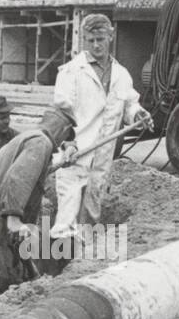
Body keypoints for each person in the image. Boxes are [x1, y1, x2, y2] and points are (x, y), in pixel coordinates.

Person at [0, 108, 76, 311]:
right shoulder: (40, 142)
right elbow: (18, 177)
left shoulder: (24, 140)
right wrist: (14, 218)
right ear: (62, 129)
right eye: (66, 136)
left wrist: (59, 164)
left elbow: (26, 173)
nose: (62, 143)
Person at [49, 13, 151, 239]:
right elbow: (60, 113)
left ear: (110, 37)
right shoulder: (71, 72)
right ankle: (57, 264)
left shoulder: (121, 75)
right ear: (84, 40)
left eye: (101, 39)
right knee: (67, 217)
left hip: (103, 154)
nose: (96, 45)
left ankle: (84, 260)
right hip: (75, 151)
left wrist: (138, 114)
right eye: (90, 40)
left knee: (92, 209)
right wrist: (69, 144)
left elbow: (129, 106)